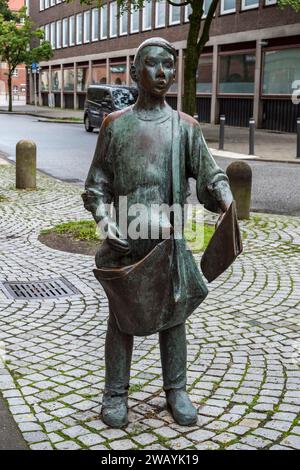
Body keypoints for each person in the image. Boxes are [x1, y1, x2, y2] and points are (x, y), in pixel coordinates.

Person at [82, 38, 233, 428]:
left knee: (174, 316)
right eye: (152, 65)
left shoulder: (185, 127)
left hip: (169, 241)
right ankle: (115, 393)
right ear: (135, 72)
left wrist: (223, 193)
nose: (162, 73)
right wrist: (103, 217)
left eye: (168, 65)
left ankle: (176, 389)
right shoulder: (116, 126)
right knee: (121, 318)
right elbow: (96, 184)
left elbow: (209, 174)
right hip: (126, 239)